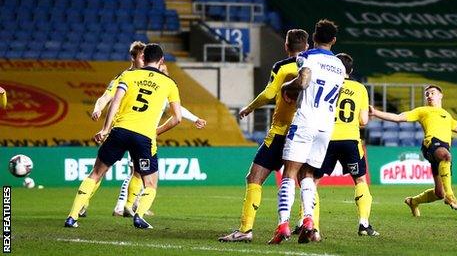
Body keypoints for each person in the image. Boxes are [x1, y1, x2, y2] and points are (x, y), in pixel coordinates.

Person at [64, 43, 182, 229]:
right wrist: (155, 132)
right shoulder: (169, 83)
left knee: (96, 173)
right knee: (150, 182)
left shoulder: (128, 75)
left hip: (119, 131)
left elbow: (115, 102)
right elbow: (177, 118)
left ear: (144, 58)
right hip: (144, 137)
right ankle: (139, 216)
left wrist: (105, 128)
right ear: (161, 60)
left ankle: (72, 217)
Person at [85, 42, 205, 218]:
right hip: (125, 128)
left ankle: (128, 205)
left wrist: (194, 119)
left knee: (137, 170)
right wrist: (98, 109)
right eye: (142, 56)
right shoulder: (125, 77)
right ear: (137, 57)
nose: (145, 59)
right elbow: (107, 97)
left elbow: (174, 108)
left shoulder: (151, 80)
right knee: (109, 170)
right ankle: (114, 205)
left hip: (141, 131)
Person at [218, 29, 309, 243]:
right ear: (306, 46)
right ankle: (309, 226)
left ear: (286, 46)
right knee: (306, 180)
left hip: (280, 132)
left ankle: (245, 229)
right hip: (305, 132)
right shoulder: (313, 66)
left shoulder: (281, 66)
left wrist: (249, 108)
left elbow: (269, 94)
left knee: (255, 177)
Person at [269, 20, 345, 245]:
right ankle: (308, 221)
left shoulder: (308, 56)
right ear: (333, 40)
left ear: (314, 37)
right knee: (309, 175)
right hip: (326, 126)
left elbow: (302, 82)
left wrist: (286, 86)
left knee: (289, 174)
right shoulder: (340, 66)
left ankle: (283, 224)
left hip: (305, 121)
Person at [370, 85, 457, 216]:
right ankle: (450, 195)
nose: (429, 96)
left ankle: (413, 201)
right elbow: (398, 117)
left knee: (439, 193)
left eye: (432, 93)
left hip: (441, 149)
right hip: (431, 145)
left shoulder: (447, 115)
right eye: (427, 94)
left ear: (441, 95)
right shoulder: (423, 111)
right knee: (446, 157)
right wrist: (375, 112)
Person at [308, 53, 379, 237]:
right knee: (360, 180)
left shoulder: (325, 84)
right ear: (351, 70)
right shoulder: (359, 88)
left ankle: (311, 226)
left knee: (313, 181)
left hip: (326, 140)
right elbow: (363, 120)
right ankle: (364, 224)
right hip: (350, 140)